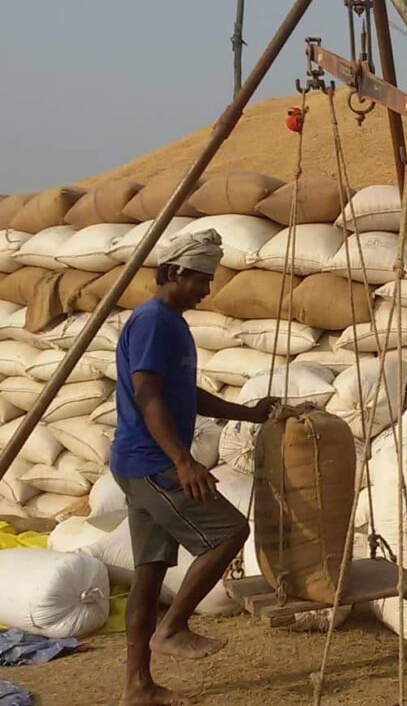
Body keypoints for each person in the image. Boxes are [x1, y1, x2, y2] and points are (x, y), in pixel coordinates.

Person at [110, 229, 276, 706]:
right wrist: (183, 461)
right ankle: (174, 627)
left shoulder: (174, 324)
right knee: (228, 531)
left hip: (142, 461)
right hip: (152, 463)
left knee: (149, 572)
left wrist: (247, 413)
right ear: (176, 272)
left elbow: (184, 394)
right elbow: (147, 394)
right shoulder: (153, 322)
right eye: (201, 279)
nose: (207, 289)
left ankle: (138, 687)